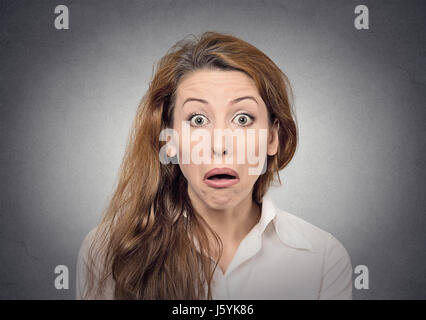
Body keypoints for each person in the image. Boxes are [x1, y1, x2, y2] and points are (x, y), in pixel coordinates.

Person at [76, 31, 353, 300]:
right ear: (169, 140)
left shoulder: (323, 258)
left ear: (272, 138)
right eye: (198, 120)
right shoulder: (108, 252)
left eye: (243, 119)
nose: (220, 146)